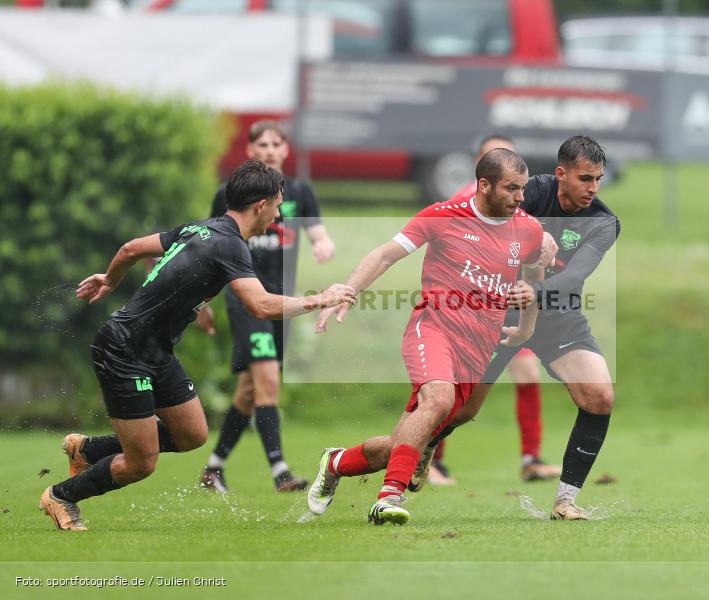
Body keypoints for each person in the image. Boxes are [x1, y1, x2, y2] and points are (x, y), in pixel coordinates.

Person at [40, 160, 355, 531]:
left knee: (192, 434)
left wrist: (111, 280)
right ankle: (61, 495)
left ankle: (87, 449)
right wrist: (320, 299)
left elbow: (130, 249)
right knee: (141, 463)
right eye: (277, 205)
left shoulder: (198, 229)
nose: (278, 214)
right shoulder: (231, 246)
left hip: (156, 351)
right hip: (124, 351)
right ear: (260, 206)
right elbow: (260, 305)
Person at [307, 148, 546, 525]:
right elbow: (385, 255)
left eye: (523, 188)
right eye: (511, 188)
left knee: (412, 438)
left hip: (480, 344)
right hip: (433, 328)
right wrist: (348, 291)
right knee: (438, 398)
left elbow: (533, 281)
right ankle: (388, 497)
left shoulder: (529, 230)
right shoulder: (443, 215)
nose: (520, 197)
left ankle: (336, 462)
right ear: (484, 185)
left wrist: (528, 322)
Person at [413, 135, 620, 520]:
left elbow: (575, 276)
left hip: (558, 315)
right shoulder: (530, 191)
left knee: (600, 395)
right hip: (501, 313)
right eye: (585, 178)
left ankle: (565, 501)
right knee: (462, 410)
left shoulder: (604, 222)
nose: (593, 188)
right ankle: (418, 450)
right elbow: (485, 223)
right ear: (561, 174)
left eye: (598, 179)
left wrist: (535, 290)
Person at [199, 120, 335, 493]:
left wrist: (323, 245)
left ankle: (213, 469)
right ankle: (280, 471)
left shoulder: (300, 192)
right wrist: (202, 301)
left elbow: (319, 234)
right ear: (250, 151)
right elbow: (210, 249)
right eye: (263, 144)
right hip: (247, 302)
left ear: (286, 150)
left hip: (283, 304)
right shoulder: (229, 193)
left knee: (249, 389)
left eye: (277, 144)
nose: (270, 150)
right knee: (268, 381)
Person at [427, 134, 561, 486]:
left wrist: (544, 238)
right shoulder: (461, 203)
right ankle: (432, 458)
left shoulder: (516, 198)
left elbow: (527, 235)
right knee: (453, 395)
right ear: (481, 167)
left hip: (508, 309)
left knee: (527, 372)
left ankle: (531, 459)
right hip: (468, 313)